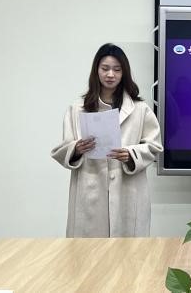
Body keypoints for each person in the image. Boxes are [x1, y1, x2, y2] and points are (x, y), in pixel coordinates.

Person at [51, 43, 163, 237]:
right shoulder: (77, 109)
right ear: (96, 71)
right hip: (90, 190)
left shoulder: (139, 109)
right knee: (89, 252)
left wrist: (131, 154)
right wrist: (76, 149)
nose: (110, 74)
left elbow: (154, 146)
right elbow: (63, 149)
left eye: (117, 69)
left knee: (129, 251)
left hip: (128, 191)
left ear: (124, 73)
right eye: (105, 68)